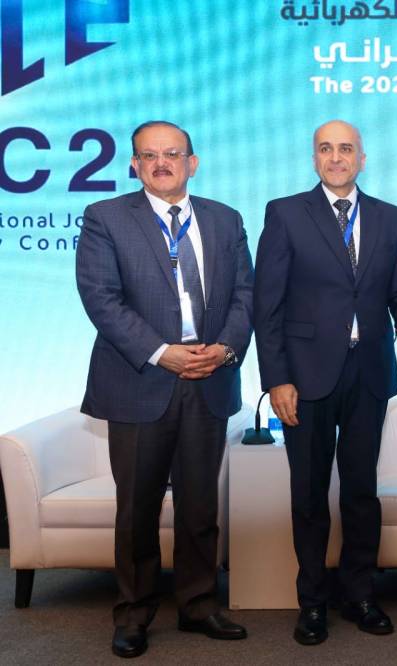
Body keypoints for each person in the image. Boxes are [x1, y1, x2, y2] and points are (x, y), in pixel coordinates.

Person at [253, 120, 397, 645]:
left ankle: (360, 594)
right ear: (314, 158)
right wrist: (276, 380)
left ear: (363, 158)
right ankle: (313, 602)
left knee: (362, 492)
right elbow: (266, 306)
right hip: (304, 379)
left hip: (369, 374)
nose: (336, 157)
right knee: (309, 494)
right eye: (326, 148)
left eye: (345, 149)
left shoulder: (390, 216)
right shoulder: (285, 213)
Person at [76, 121, 253, 658]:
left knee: (200, 505)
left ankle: (198, 604)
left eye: (172, 154)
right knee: (138, 508)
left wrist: (225, 349)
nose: (161, 163)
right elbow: (101, 298)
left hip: (209, 376)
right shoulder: (105, 217)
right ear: (134, 165)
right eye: (148, 155)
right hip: (139, 380)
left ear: (191, 163)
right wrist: (161, 352)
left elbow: (246, 294)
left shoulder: (225, 219)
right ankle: (134, 613)